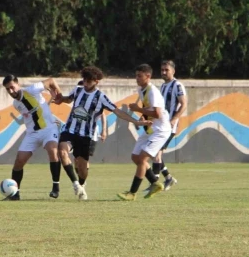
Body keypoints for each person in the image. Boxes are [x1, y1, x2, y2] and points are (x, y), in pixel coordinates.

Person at [54, 66, 149, 200]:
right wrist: (60, 99)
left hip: (85, 136)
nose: (85, 83)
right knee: (62, 151)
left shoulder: (101, 97)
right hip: (69, 130)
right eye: (84, 80)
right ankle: (75, 184)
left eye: (88, 81)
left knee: (82, 169)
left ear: (96, 81)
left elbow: (117, 112)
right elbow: (68, 99)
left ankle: (81, 184)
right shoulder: (78, 90)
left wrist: (136, 121)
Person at [2, 74, 66, 200]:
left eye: (12, 87)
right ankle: (15, 194)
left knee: (52, 151)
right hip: (32, 133)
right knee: (19, 161)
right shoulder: (16, 104)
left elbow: (51, 81)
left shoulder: (32, 90)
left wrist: (59, 96)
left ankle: (55, 187)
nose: (11, 91)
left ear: (18, 84)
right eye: (7, 89)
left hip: (48, 129)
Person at [117, 63, 172, 201]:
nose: (137, 78)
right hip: (150, 128)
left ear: (148, 76)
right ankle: (155, 183)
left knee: (142, 158)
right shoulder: (142, 89)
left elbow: (158, 113)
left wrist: (138, 110)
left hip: (160, 130)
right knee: (135, 157)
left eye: (139, 76)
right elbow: (149, 109)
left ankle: (132, 193)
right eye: (136, 75)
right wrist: (143, 117)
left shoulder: (153, 91)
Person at [144, 60, 187, 192]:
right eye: (162, 70)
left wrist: (174, 119)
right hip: (160, 125)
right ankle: (168, 178)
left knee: (156, 153)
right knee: (155, 154)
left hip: (169, 126)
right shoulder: (162, 87)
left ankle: (154, 183)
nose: (163, 72)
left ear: (173, 71)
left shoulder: (177, 85)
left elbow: (184, 104)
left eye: (166, 70)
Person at [73, 80, 107, 178]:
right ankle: (80, 179)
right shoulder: (77, 100)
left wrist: (104, 130)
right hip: (76, 133)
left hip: (91, 134)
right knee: (76, 159)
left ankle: (82, 183)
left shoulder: (95, 100)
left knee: (84, 159)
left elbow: (102, 114)